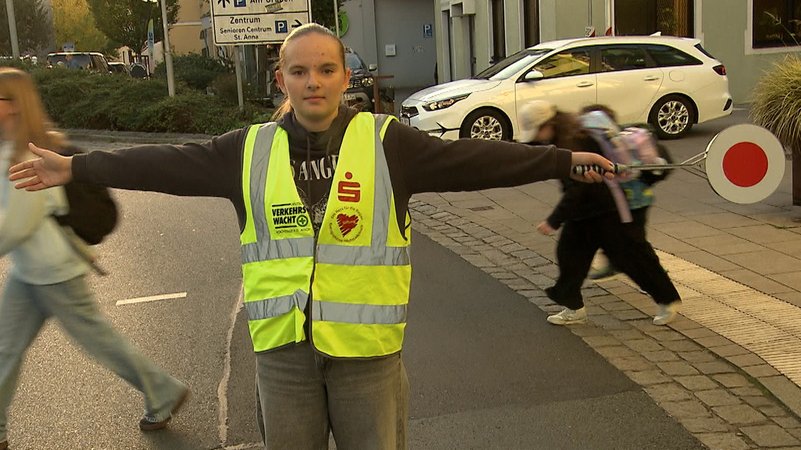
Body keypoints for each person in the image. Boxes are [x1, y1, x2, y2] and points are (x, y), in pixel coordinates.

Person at [9, 24, 613, 449]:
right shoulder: (247, 151)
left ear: (345, 76)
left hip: (367, 359)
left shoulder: (387, 144)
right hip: (284, 358)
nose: (313, 81)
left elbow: (475, 160)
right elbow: (164, 163)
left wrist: (560, 161)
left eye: (326, 69)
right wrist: (77, 166)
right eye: (300, 71)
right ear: (282, 80)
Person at [0, 68, 189, 450]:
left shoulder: (29, 154)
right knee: (4, 348)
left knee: (101, 343)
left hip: (56, 273)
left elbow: (16, 225)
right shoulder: (6, 148)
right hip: (28, 272)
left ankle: (163, 391)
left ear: (15, 107)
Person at [525, 99, 681, 327]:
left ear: (548, 124)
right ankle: (573, 307)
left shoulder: (573, 143)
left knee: (632, 257)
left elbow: (578, 188)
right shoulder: (568, 135)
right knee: (571, 256)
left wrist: (553, 221)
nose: (537, 137)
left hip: (609, 210)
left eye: (537, 131)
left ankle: (668, 300)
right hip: (590, 210)